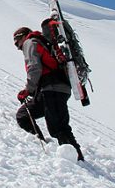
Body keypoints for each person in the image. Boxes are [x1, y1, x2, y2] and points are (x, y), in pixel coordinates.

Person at [13, 26, 84, 161]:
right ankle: (38, 143)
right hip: (53, 89)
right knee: (24, 115)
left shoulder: (30, 42)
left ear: (22, 37)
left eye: (17, 43)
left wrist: (28, 89)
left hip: (51, 88)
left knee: (58, 127)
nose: (18, 47)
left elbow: (34, 68)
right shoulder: (42, 42)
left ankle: (77, 159)